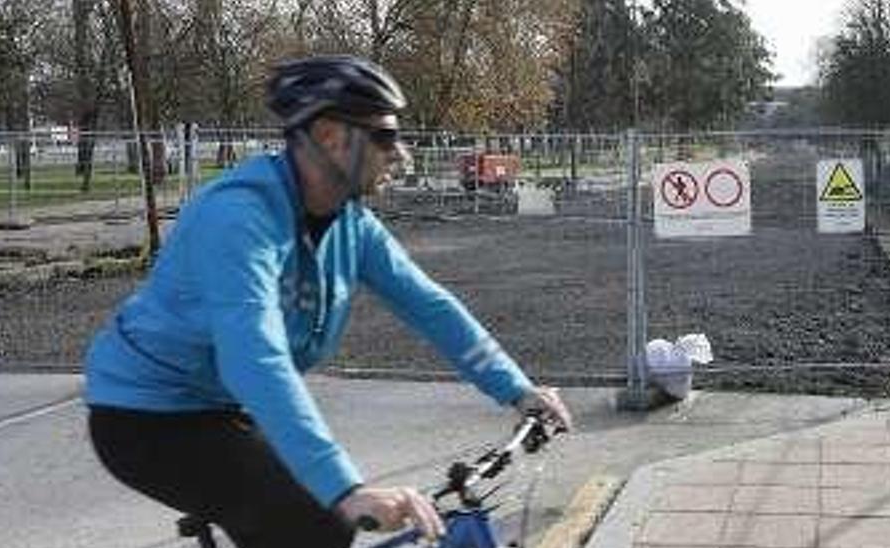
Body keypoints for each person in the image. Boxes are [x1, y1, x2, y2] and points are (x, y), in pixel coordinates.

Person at [83, 55, 572, 548]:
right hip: (145, 416)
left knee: (310, 514)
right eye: (383, 137)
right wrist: (346, 490)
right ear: (330, 136)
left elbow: (431, 306)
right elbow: (255, 356)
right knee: (321, 524)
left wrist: (517, 389)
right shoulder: (237, 218)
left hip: (220, 407)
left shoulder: (350, 224)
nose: (399, 154)